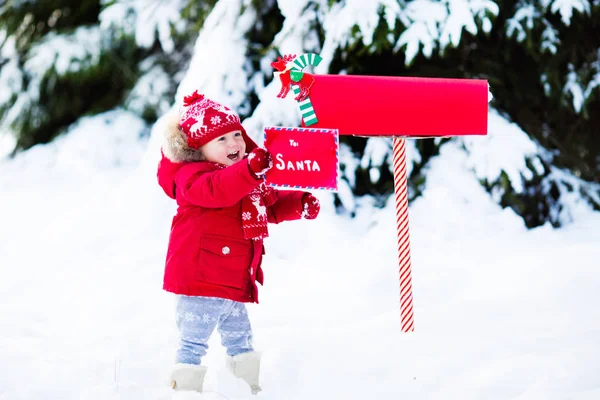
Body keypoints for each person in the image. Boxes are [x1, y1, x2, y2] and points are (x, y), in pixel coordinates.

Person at [156, 91, 320, 395]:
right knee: (193, 342)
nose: (234, 144)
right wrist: (249, 171)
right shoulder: (192, 177)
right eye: (221, 140)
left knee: (241, 339)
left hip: (233, 281)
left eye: (236, 135)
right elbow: (219, 190)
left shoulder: (247, 176)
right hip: (200, 280)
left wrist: (299, 203)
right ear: (199, 148)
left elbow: (268, 206)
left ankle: (247, 388)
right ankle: (184, 391)